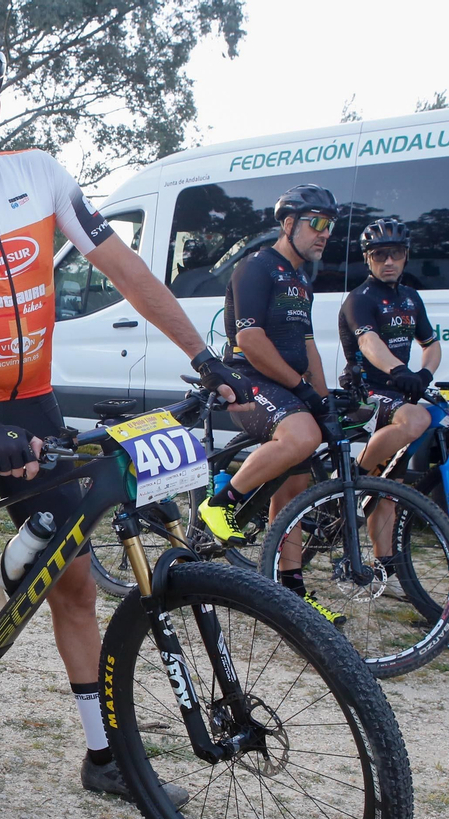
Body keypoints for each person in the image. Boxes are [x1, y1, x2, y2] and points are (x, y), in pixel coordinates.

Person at [0, 24, 244, 819]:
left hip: (31, 403)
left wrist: (206, 360)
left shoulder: (42, 175)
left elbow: (123, 268)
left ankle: (99, 754)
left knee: (73, 578)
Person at [196, 184, 343, 604]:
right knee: (301, 438)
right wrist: (301, 390)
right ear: (289, 223)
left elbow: (308, 345)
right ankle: (219, 503)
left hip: (286, 389)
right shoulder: (256, 268)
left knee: (294, 489)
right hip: (248, 380)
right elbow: (252, 340)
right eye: (316, 223)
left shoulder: (301, 279)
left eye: (329, 226)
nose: (324, 233)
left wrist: (323, 396)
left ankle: (291, 590)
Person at [339, 217, 442, 563]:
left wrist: (424, 374)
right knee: (416, 420)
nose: (388, 262)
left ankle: (384, 567)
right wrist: (398, 370)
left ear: (405, 256)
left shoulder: (411, 297)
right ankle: (351, 480)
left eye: (395, 254)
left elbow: (431, 345)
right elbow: (369, 343)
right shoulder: (359, 298)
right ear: (367, 258)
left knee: (390, 493)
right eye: (379, 254)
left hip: (397, 393)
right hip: (364, 391)